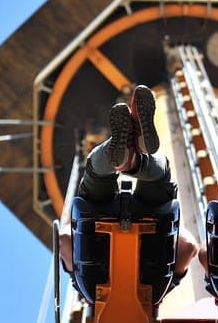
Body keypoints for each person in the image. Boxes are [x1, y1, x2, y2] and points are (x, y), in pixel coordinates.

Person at [59, 85, 199, 284]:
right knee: (96, 176)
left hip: (143, 244)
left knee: (159, 179)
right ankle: (131, 156)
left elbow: (187, 247)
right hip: (102, 232)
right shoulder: (89, 285)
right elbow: (64, 240)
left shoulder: (157, 287)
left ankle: (130, 155)